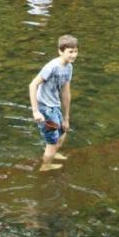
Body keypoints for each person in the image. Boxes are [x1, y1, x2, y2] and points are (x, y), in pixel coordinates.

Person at [29, 34, 78, 171]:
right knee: (52, 142)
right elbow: (32, 85)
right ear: (60, 51)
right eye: (70, 52)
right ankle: (46, 166)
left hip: (55, 106)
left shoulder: (69, 67)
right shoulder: (52, 67)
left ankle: (53, 154)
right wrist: (35, 111)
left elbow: (66, 93)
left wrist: (66, 117)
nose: (74, 55)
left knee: (63, 132)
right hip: (45, 108)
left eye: (75, 51)